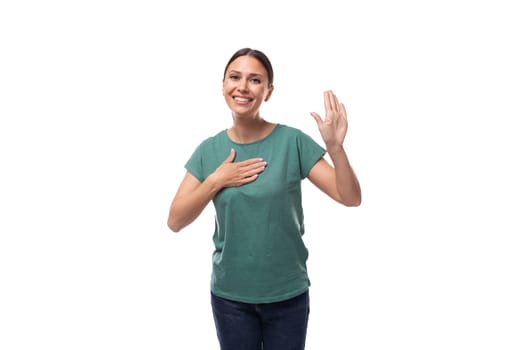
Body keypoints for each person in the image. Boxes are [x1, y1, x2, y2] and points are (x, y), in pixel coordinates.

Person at [167, 47, 361, 350]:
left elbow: (350, 197)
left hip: (287, 295)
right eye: (235, 77)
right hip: (231, 297)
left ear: (268, 92)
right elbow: (175, 220)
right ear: (223, 86)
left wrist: (335, 147)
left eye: (255, 80)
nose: (243, 87)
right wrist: (217, 180)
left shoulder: (292, 141)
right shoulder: (209, 150)